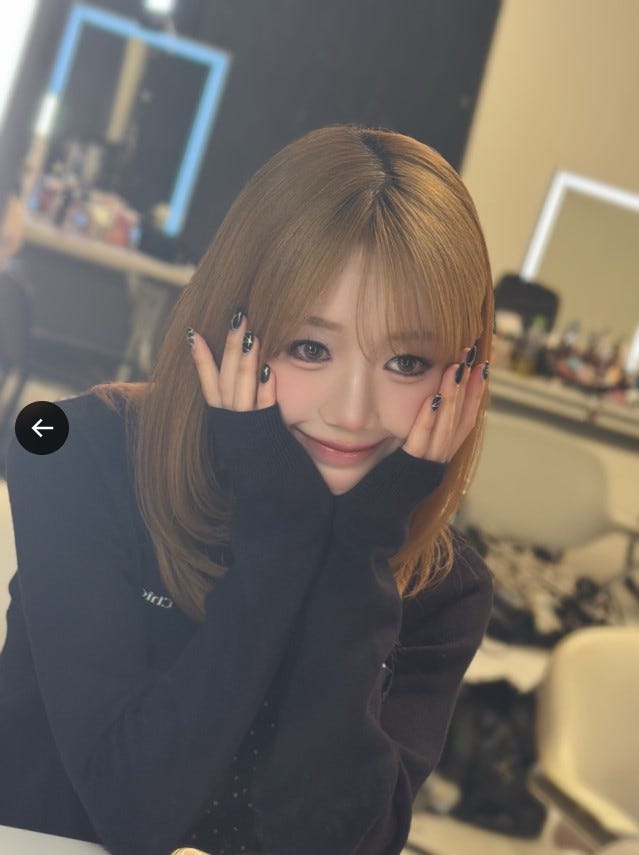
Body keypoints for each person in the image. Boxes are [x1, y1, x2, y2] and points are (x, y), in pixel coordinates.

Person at [0, 124, 494, 855]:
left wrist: (356, 553)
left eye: (406, 362)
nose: (351, 412)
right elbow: (132, 808)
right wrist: (279, 527)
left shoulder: (442, 587)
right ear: (231, 329)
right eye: (309, 348)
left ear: (464, 376)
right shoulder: (82, 455)